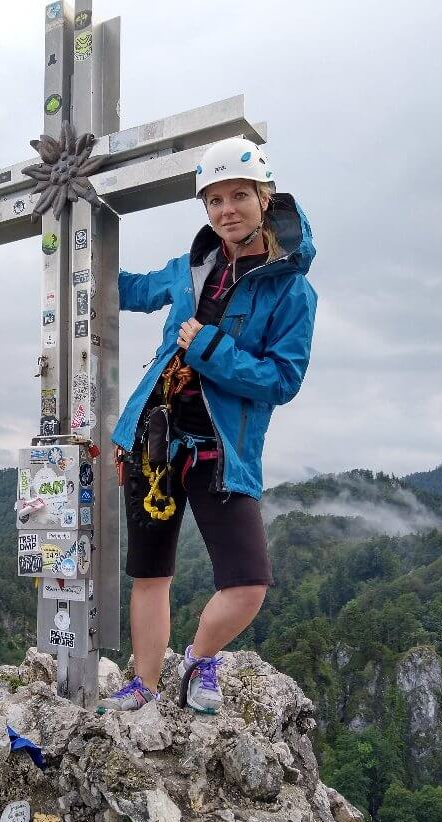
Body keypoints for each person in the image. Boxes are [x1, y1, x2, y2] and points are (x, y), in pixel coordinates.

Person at [98, 136, 317, 715]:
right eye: (214, 199)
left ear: (264, 198)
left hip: (223, 448)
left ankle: (198, 660)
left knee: (247, 582)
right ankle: (144, 685)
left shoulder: (290, 289)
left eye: (238, 195)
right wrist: (67, 251)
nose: (226, 210)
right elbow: (127, 289)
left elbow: (283, 379)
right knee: (150, 572)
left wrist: (213, 349)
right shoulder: (191, 268)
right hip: (155, 438)